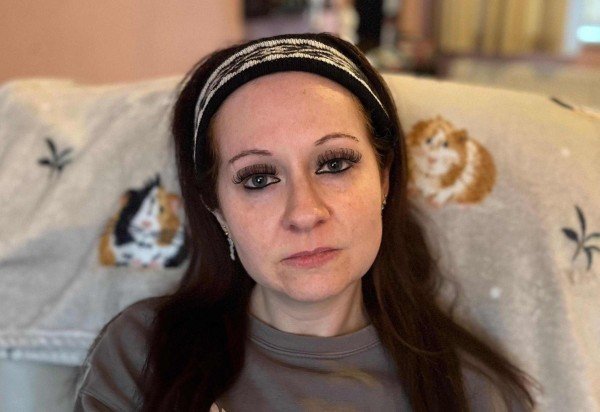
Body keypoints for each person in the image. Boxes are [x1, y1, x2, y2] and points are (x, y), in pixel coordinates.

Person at [75, 33, 537, 411]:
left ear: (384, 179)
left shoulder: (471, 392)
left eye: (334, 164)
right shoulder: (143, 354)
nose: (304, 213)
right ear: (216, 208)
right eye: (258, 178)